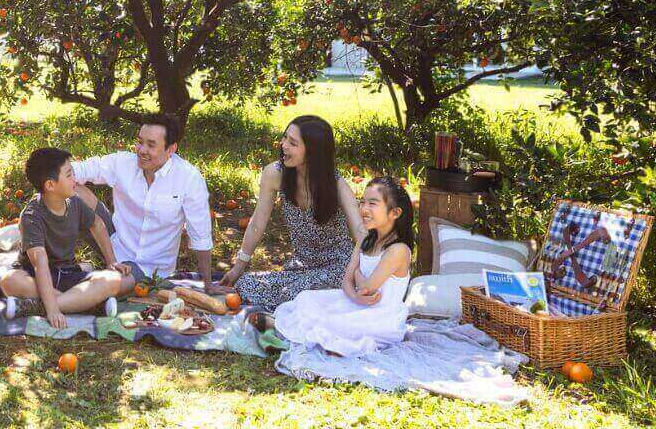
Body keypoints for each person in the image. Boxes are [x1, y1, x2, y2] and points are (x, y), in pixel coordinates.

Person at [249, 177, 414, 356]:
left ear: (395, 213)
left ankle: (284, 334)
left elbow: (367, 287)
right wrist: (355, 297)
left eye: (372, 204)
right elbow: (346, 281)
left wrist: (357, 274)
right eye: (362, 202)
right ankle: (287, 331)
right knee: (306, 299)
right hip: (358, 303)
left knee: (335, 322)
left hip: (380, 316)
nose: (364, 209)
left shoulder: (399, 250)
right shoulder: (366, 239)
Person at [214, 116, 364, 307]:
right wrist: (238, 267)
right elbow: (257, 222)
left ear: (313, 152)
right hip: (301, 267)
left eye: (293, 143)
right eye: (285, 138)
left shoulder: (336, 184)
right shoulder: (275, 173)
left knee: (295, 294)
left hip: (338, 269)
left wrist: (369, 274)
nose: (283, 145)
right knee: (246, 284)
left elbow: (361, 232)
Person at [71, 113, 219, 294]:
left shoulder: (189, 179)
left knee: (109, 286)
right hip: (114, 243)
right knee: (69, 188)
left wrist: (208, 284)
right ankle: (51, 266)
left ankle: (63, 297)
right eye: (140, 142)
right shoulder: (122, 163)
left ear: (171, 149)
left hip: (148, 269)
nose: (141, 150)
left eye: (151, 145)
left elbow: (200, 235)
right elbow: (77, 170)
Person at [0, 148, 133, 327]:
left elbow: (97, 224)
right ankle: (87, 304)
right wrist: (53, 311)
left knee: (126, 281)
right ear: (50, 185)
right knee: (9, 281)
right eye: (69, 175)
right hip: (37, 276)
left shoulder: (75, 203)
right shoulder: (31, 215)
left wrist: (111, 262)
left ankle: (38, 306)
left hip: (69, 274)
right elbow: (40, 264)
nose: (75, 180)